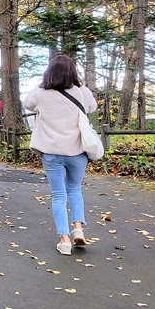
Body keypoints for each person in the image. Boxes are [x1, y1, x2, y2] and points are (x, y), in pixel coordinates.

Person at [22, 54, 98, 256]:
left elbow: (27, 103)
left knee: (58, 195)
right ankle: (78, 229)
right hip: (77, 151)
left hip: (51, 152)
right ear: (72, 72)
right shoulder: (81, 91)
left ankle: (64, 240)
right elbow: (92, 107)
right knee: (74, 189)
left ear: (49, 73)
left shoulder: (41, 93)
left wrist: (42, 84)